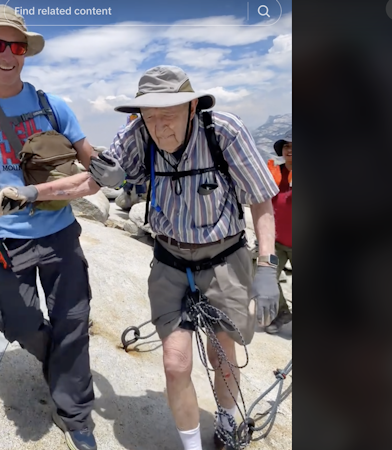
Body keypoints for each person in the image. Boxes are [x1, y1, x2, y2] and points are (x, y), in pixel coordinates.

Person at [91, 65, 281, 450]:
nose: (158, 127)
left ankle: (226, 420)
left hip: (224, 258)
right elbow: (98, 173)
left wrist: (266, 265)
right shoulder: (138, 132)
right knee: (175, 364)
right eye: (149, 114)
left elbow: (261, 199)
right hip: (170, 261)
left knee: (221, 352)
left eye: (168, 113)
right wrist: (34, 194)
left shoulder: (224, 130)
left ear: (192, 106)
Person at [0, 6, 124, 450]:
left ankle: (75, 414)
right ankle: (62, 369)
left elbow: (92, 163)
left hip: (60, 233)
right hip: (1, 242)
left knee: (73, 321)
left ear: (25, 53)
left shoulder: (53, 105)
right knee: (20, 323)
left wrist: (109, 169)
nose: (6, 54)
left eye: (15, 46)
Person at [264, 131, 293, 334]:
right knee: (268, 278)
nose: (289, 150)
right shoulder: (274, 173)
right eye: (286, 146)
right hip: (276, 241)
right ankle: (282, 312)